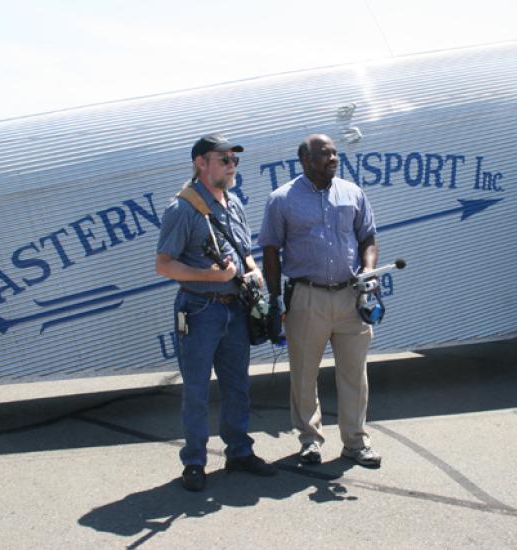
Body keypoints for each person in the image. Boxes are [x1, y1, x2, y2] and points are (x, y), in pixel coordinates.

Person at [156, 133, 276, 492]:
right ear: (201, 163)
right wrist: (209, 275)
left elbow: (244, 249)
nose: (231, 165)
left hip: (235, 308)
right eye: (224, 159)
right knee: (195, 390)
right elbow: (164, 265)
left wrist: (252, 269)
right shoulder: (182, 209)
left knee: (237, 384)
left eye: (233, 160)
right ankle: (194, 462)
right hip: (199, 309)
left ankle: (239, 450)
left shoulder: (234, 203)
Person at [259, 133, 382, 468]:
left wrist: (368, 270)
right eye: (325, 154)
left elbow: (367, 236)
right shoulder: (282, 199)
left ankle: (356, 443)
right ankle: (310, 441)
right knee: (303, 374)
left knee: (355, 374)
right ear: (306, 161)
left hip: (350, 297)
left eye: (335, 154)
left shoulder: (353, 192)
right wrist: (273, 300)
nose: (333, 159)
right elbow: (270, 250)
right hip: (306, 296)